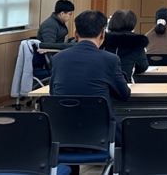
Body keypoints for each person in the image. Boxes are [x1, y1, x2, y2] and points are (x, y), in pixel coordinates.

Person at [49, 10, 131, 148]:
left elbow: (53, 93)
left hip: (62, 135)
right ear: (103, 34)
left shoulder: (58, 58)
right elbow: (124, 95)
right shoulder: (110, 60)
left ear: (75, 34)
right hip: (101, 136)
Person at [102, 9, 149, 80]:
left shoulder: (102, 39)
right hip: (124, 82)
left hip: (101, 82)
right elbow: (143, 67)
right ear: (133, 24)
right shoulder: (137, 42)